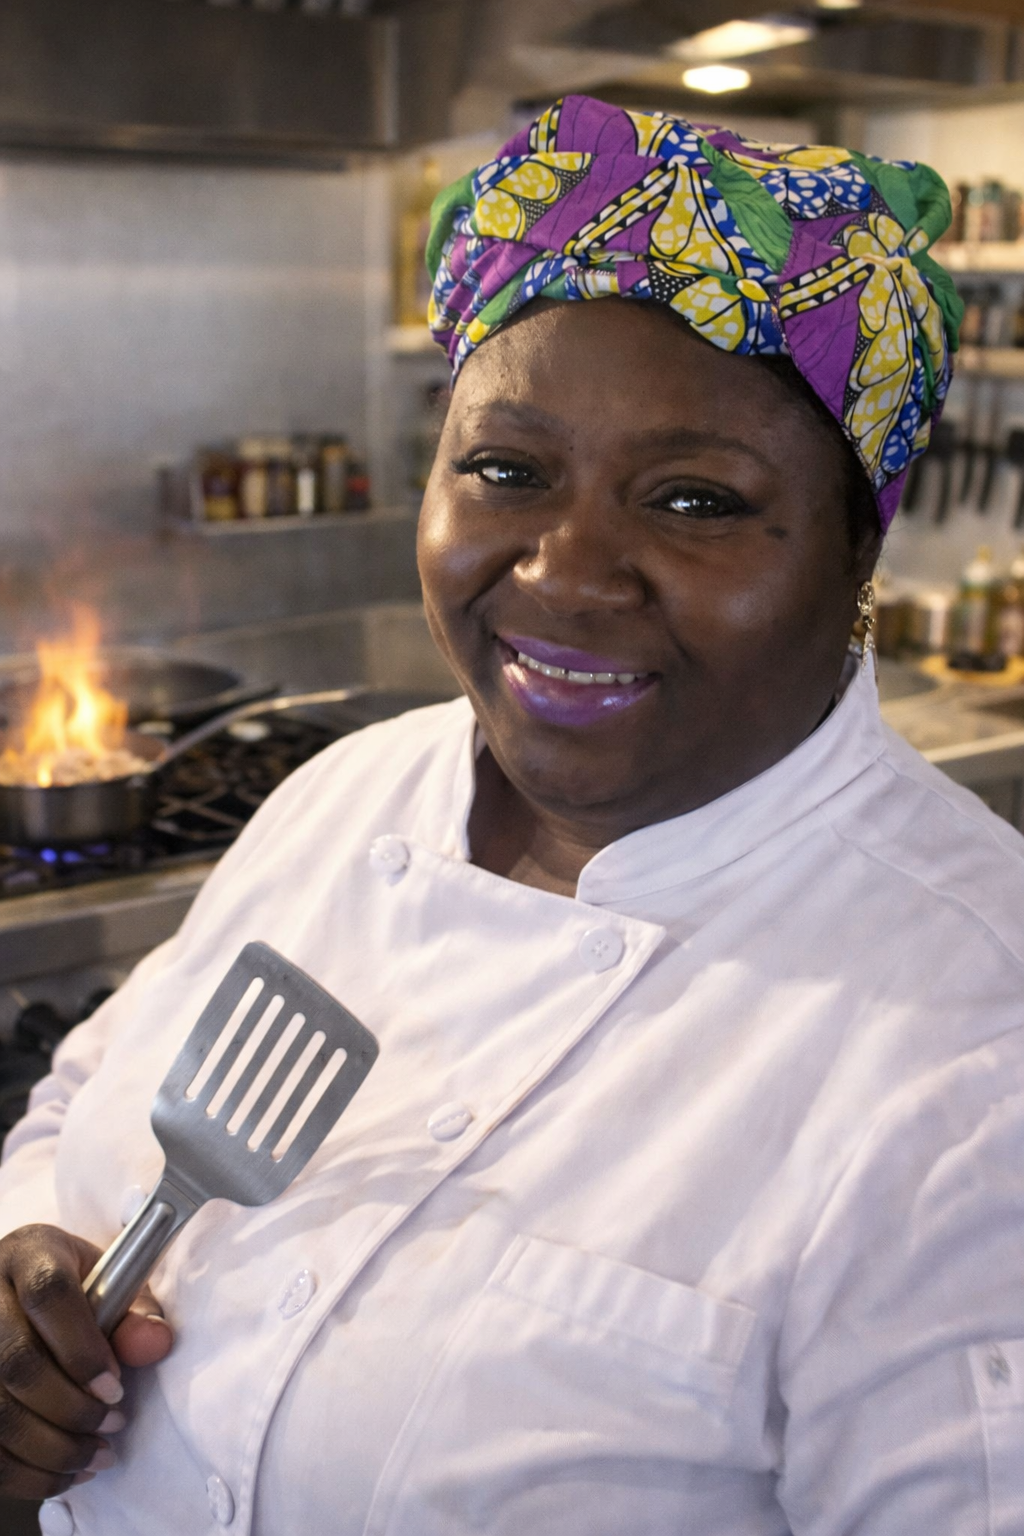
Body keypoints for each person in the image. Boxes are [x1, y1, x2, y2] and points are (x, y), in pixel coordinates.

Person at [0, 95, 1021, 1536]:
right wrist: (27, 1269)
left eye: (695, 500)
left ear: (862, 551)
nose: (564, 571)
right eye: (505, 470)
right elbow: (76, 1101)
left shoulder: (974, 1052)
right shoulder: (350, 791)